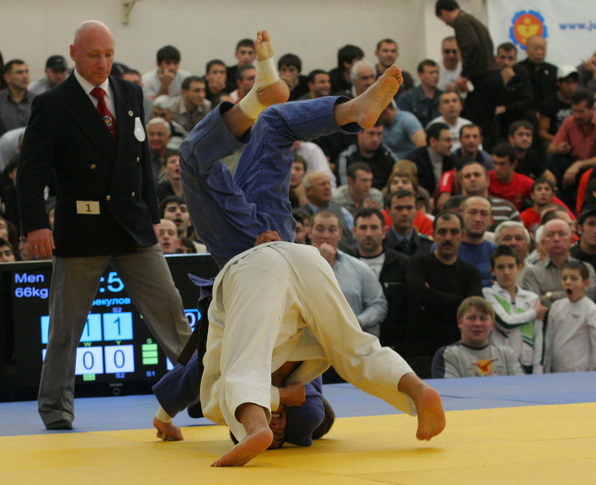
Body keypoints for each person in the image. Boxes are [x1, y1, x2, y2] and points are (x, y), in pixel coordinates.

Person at [155, 31, 444, 466]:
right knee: (233, 142)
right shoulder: (306, 373)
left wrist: (164, 416)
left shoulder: (242, 371)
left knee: (254, 133)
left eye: (269, 423)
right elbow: (349, 360)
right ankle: (416, 390)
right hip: (285, 254)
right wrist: (284, 398)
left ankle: (278, 97)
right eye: (279, 425)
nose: (278, 420)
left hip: (271, 256)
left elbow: (196, 373)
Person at [17, 20, 192, 430]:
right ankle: (55, 409)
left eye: (109, 54)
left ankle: (204, 391)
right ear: (74, 53)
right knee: (65, 328)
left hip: (133, 224)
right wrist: (36, 225)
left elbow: (141, 161)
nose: (103, 63)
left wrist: (153, 216)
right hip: (82, 228)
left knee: (172, 316)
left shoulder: (129, 93)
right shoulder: (51, 104)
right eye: (94, 55)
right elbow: (31, 171)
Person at [404, 211, 482, 377]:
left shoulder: (470, 272)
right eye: (442, 232)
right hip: (420, 353)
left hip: (460, 353)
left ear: (462, 235)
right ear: (433, 234)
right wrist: (459, 302)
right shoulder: (417, 264)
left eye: (454, 232)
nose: (448, 238)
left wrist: (430, 298)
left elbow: (472, 310)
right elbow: (418, 295)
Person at [307, 211, 387, 336]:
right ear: (309, 232)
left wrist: (358, 321)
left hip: (350, 340)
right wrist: (320, 262)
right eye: (320, 229)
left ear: (339, 234)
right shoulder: (295, 267)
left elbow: (378, 305)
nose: (326, 236)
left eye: (332, 230)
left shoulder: (359, 268)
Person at [435, 0, 502, 136]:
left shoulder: (460, 22)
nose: (446, 23)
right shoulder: (472, 21)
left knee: (474, 123)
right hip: (492, 77)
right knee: (488, 124)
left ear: (444, 13)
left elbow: (471, 45)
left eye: (443, 20)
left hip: (483, 80)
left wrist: (464, 75)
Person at [483, 245, 547, 374]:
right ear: (492, 271)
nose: (506, 272)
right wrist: (534, 313)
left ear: (519, 267)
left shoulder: (532, 298)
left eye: (511, 266)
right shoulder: (487, 294)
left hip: (527, 364)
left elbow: (539, 338)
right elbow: (505, 323)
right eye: (501, 267)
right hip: (498, 365)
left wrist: (538, 370)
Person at [353, 207, 409, 351]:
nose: (368, 234)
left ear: (384, 232)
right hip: (355, 345)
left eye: (374, 227)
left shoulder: (403, 264)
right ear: (354, 232)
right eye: (363, 228)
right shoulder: (344, 265)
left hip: (396, 347)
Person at [431, 296, 524, 378]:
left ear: (492, 324)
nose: (478, 324)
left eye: (483, 318)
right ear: (460, 322)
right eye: (471, 318)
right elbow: (449, 390)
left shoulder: (507, 354)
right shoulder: (447, 355)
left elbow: (521, 387)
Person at [545, 261, 596, 372]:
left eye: (574, 279)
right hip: (557, 372)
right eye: (564, 278)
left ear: (585, 283)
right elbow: (549, 341)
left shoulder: (592, 310)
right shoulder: (556, 307)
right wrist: (546, 369)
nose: (568, 282)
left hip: (582, 374)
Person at [523, 219, 596, 305]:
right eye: (550, 235)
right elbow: (534, 303)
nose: (556, 239)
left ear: (571, 240)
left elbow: (590, 295)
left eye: (562, 234)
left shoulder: (586, 268)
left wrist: (550, 295)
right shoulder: (532, 273)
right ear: (543, 242)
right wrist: (574, 294)